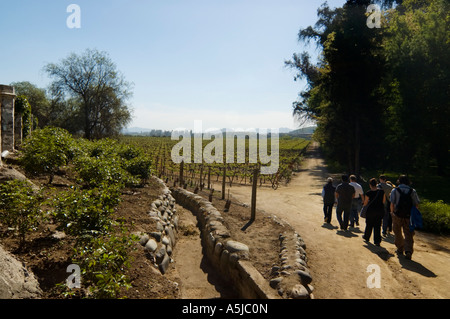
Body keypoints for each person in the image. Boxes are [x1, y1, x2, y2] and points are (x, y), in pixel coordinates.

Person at [390, 175, 420, 260]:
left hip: (397, 215)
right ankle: (408, 251)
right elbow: (416, 204)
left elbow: (392, 203)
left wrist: (392, 213)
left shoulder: (395, 190)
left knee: (397, 232)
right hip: (408, 216)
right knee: (408, 234)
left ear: (399, 181)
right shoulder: (412, 191)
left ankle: (400, 248)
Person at [362, 178, 386, 246]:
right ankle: (377, 241)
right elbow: (383, 201)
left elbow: (365, 203)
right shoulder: (382, 192)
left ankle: (366, 237)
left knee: (369, 224)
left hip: (370, 211)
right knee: (377, 226)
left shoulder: (368, 193)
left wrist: (364, 204)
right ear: (376, 184)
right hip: (379, 210)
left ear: (370, 185)